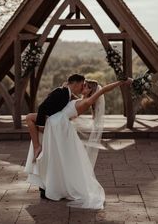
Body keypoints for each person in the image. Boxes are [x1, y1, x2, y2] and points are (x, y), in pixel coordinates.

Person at [25, 78, 132, 209]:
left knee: (53, 157)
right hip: (56, 124)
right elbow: (67, 91)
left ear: (91, 92)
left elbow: (104, 89)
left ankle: (52, 187)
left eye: (86, 86)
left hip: (59, 127)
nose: (83, 87)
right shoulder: (77, 98)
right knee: (53, 157)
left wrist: (121, 82)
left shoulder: (87, 101)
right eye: (83, 84)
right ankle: (47, 186)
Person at [25, 74, 85, 162]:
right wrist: (41, 125)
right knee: (29, 117)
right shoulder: (61, 92)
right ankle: (36, 146)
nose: (82, 87)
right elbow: (42, 107)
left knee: (29, 117)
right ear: (75, 83)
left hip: (54, 121)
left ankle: (37, 146)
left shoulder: (66, 93)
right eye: (81, 85)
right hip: (50, 118)